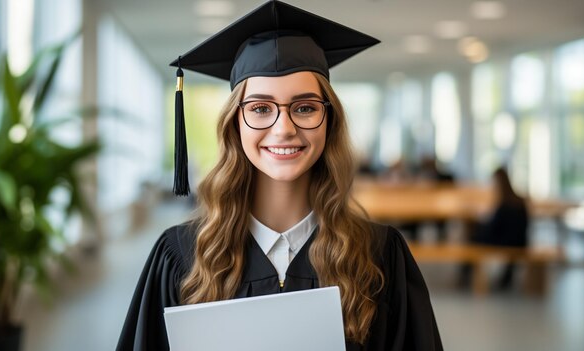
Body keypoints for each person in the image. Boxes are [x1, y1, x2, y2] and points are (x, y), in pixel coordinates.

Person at [116, 1, 442, 350]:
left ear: (329, 121)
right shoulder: (181, 256)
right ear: (234, 124)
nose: (284, 128)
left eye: (304, 108)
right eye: (259, 108)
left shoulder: (378, 255)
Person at [459, 166, 529, 290]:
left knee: (472, 239)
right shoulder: (519, 201)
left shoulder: (504, 204)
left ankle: (464, 277)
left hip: (504, 242)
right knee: (477, 236)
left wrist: (481, 223)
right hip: (520, 242)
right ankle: (506, 277)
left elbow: (493, 229)